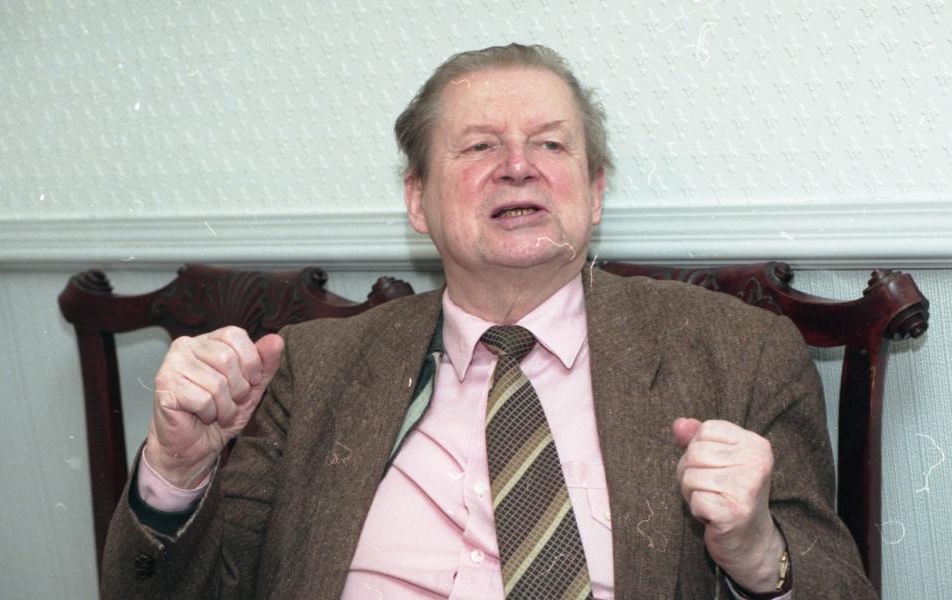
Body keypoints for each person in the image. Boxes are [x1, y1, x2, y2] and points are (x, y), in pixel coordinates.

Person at [101, 43, 875, 599]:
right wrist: (176, 473)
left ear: (594, 191)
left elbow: (836, 584)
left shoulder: (736, 353)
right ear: (416, 200)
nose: (517, 165)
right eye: (479, 146)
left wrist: (757, 554)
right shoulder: (312, 370)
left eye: (549, 144)